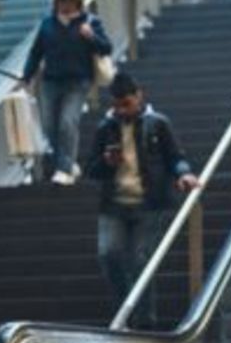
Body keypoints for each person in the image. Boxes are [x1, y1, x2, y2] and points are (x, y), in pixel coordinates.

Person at [84, 72, 198, 327]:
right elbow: (90, 170)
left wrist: (184, 174)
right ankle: (126, 310)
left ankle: (144, 319)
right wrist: (106, 161)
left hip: (149, 204)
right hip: (113, 206)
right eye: (116, 105)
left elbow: (175, 156)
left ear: (139, 96)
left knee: (140, 260)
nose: (122, 110)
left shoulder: (157, 123)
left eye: (126, 103)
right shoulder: (105, 128)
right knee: (109, 254)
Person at [24, 0, 113, 185]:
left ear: (78, 3)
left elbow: (107, 47)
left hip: (78, 80)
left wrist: (91, 37)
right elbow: (36, 52)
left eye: (70, 2)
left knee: (67, 122)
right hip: (50, 81)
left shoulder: (90, 22)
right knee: (48, 126)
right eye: (62, 1)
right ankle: (67, 164)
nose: (65, 6)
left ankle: (64, 168)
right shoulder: (48, 24)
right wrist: (26, 76)